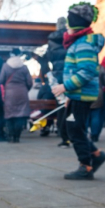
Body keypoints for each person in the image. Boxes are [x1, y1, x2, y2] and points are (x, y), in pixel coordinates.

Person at [51, 2, 105, 180]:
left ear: (76, 22)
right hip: (77, 95)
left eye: (69, 21)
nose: (67, 25)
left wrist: (64, 87)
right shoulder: (80, 43)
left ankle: (86, 166)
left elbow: (87, 71)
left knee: (74, 130)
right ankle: (96, 155)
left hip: (81, 95)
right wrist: (69, 94)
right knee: (74, 128)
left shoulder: (83, 44)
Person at [36, 17, 70, 146]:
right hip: (70, 76)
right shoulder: (70, 38)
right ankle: (71, 134)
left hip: (56, 78)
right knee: (71, 107)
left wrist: (50, 76)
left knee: (61, 107)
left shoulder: (51, 41)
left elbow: (48, 59)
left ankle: (64, 137)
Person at [0, 48, 33, 143]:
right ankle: (17, 137)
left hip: (10, 94)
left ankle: (11, 135)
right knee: (20, 115)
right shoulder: (24, 67)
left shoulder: (5, 66)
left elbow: (0, 80)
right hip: (22, 92)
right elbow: (30, 82)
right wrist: (25, 89)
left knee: (10, 115)